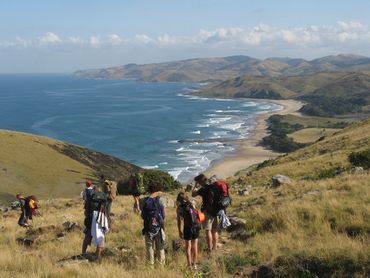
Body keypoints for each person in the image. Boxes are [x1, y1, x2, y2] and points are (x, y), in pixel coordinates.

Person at [140, 181, 166, 265]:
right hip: (159, 228)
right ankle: (161, 267)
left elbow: (142, 215)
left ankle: (150, 266)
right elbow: (163, 216)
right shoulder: (161, 200)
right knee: (160, 248)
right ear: (157, 189)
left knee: (149, 248)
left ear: (149, 190)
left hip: (148, 227)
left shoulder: (144, 200)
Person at [192, 173, 219, 253]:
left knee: (208, 230)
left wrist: (195, 186)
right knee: (214, 230)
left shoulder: (203, 189)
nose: (199, 184)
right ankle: (215, 247)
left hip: (207, 211)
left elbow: (193, 195)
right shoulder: (213, 186)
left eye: (198, 182)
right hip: (216, 210)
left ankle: (210, 248)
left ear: (200, 181)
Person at [82, 186, 109, 261]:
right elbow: (107, 211)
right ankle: (98, 257)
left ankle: (83, 253)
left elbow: (86, 212)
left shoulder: (91, 197)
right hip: (101, 219)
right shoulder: (103, 197)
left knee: (87, 237)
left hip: (90, 220)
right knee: (101, 237)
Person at [176, 192, 200, 269]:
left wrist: (179, 231)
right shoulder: (192, 204)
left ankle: (189, 265)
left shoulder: (179, 208)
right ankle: (195, 264)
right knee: (195, 246)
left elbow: (179, 221)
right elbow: (197, 215)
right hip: (196, 227)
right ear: (186, 198)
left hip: (187, 228)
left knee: (188, 247)